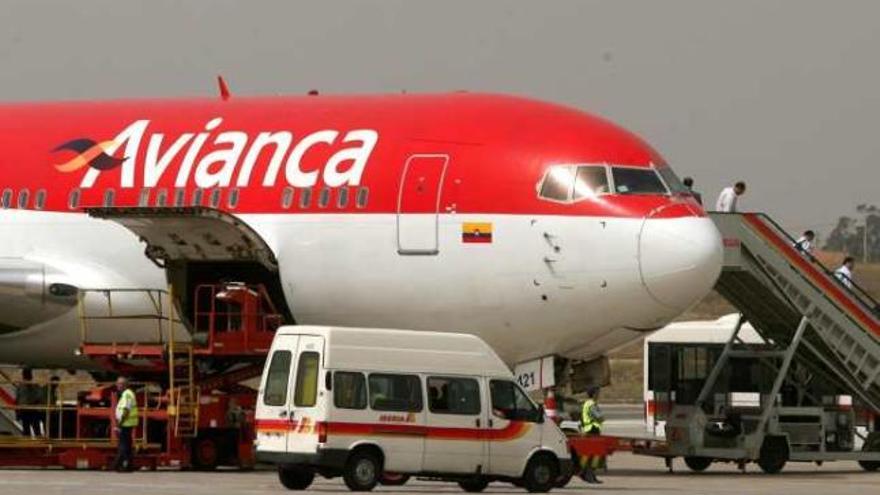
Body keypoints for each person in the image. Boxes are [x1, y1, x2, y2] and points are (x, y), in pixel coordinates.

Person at [111, 376, 139, 472]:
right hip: (127, 423)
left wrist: (119, 424)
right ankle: (128, 466)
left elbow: (126, 410)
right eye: (118, 383)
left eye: (120, 384)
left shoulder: (127, 394)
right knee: (127, 445)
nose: (118, 385)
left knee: (123, 445)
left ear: (125, 385)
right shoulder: (126, 394)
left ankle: (117, 465)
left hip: (126, 423)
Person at [579, 387, 605, 484]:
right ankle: (589, 475)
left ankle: (588, 474)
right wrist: (602, 417)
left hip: (588, 430)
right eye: (597, 393)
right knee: (593, 455)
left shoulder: (586, 404)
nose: (598, 395)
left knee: (589, 454)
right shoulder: (591, 404)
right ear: (594, 394)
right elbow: (599, 417)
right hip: (592, 431)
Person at [15, 368, 43, 438]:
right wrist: (17, 412)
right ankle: (27, 445)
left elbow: (39, 398)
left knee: (36, 430)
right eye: (26, 374)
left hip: (32, 409)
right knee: (27, 431)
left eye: (28, 374)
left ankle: (39, 444)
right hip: (25, 410)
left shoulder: (35, 386)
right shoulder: (20, 386)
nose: (27, 376)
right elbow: (17, 400)